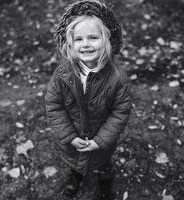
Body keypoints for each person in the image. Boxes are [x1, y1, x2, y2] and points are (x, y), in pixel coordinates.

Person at [45, 0, 131, 199]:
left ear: (106, 40)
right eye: (79, 39)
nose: (85, 44)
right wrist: (70, 137)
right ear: (70, 43)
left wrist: (100, 141)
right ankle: (76, 175)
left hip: (102, 140)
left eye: (93, 37)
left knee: (104, 163)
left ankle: (105, 182)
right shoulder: (62, 74)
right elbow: (54, 105)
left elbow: (120, 111)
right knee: (76, 161)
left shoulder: (117, 77)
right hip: (73, 137)